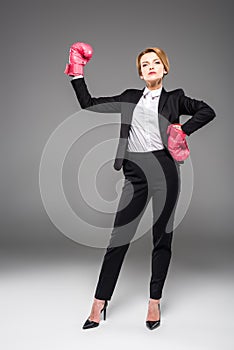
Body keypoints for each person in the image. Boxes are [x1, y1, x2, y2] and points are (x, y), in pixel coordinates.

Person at [64, 42, 216, 330]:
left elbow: (208, 111)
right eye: (145, 64)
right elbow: (89, 104)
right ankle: (100, 301)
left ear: (165, 68)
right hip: (134, 172)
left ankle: (154, 300)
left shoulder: (176, 98)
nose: (150, 67)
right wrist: (77, 72)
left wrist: (183, 128)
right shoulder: (130, 97)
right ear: (140, 73)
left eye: (155, 62)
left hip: (164, 171)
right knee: (118, 238)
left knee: (162, 236)